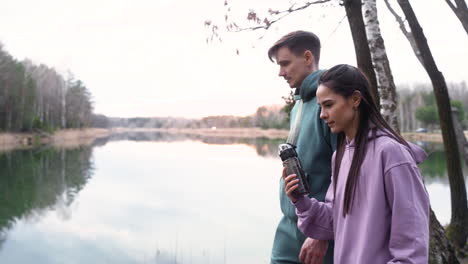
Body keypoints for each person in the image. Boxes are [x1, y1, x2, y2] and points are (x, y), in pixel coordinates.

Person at [283, 64, 430, 263]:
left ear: (355, 99)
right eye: (320, 107)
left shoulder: (392, 154)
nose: (322, 115)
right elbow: (334, 222)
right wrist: (300, 200)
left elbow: (412, 244)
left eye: (328, 105)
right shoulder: (340, 156)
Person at [268, 31, 336, 264]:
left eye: (285, 64)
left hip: (319, 236)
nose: (280, 72)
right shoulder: (298, 104)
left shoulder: (330, 104)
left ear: (308, 58)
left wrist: (324, 232)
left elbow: (347, 175)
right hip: (287, 230)